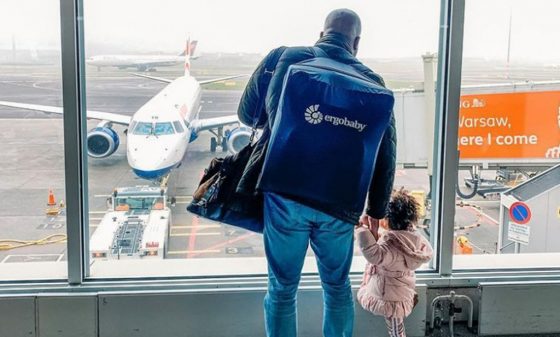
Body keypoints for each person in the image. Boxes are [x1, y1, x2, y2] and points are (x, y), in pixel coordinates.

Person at [237, 8, 397, 337]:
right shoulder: (374, 83)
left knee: (282, 289)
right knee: (337, 288)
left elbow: (245, 114)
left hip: (285, 193)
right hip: (340, 203)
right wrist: (377, 211)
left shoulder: (284, 57)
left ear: (322, 32)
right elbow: (386, 152)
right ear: (356, 43)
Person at [355, 189, 433, 337]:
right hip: (401, 288)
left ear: (388, 219)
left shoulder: (390, 244)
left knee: (396, 327)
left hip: (389, 293)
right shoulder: (412, 239)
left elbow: (374, 254)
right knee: (396, 324)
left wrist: (361, 230)